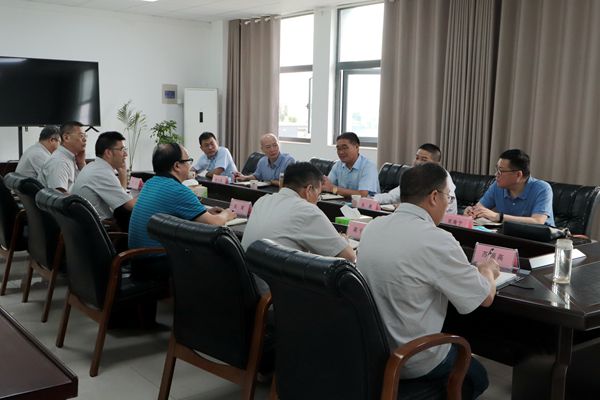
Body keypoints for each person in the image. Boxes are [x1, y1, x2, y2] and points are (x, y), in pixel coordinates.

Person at [357, 163, 499, 399]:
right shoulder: (437, 239)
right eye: (448, 197)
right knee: (478, 376)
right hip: (411, 358)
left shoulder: (373, 227)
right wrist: (488, 271)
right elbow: (485, 297)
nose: (448, 204)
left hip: (370, 353)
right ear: (434, 197)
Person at [241, 162, 356, 292]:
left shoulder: (262, 201)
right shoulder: (306, 210)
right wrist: (343, 241)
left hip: (247, 288)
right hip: (275, 295)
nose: (317, 200)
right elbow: (349, 257)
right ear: (309, 190)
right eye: (318, 195)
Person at [128, 143, 236, 280]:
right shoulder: (177, 190)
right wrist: (227, 214)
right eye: (188, 161)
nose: (190, 165)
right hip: (158, 262)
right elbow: (214, 223)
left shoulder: (151, 183)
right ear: (177, 166)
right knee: (223, 257)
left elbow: (173, 209)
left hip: (138, 260)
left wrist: (204, 212)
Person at [464, 149, 554, 225]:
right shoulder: (497, 186)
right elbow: (479, 208)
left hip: (539, 238)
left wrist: (498, 216)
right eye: (496, 169)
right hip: (506, 236)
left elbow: (538, 221)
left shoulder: (542, 189)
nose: (496, 174)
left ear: (518, 175)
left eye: (501, 171)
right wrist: (472, 212)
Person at [374, 143, 457, 214]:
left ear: (436, 164)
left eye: (424, 160)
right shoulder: (415, 175)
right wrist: (371, 200)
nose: (418, 162)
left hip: (442, 223)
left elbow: (439, 208)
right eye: (417, 158)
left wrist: (406, 207)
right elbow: (393, 196)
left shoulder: (443, 179)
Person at [71, 131, 135, 221]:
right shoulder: (102, 172)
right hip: (99, 226)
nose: (126, 154)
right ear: (108, 152)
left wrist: (123, 173)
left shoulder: (94, 166)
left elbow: (121, 198)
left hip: (86, 224)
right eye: (122, 149)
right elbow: (130, 206)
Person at [321, 132, 380, 197]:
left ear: (356, 147)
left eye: (345, 148)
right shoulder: (338, 165)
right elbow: (327, 185)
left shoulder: (368, 166)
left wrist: (333, 189)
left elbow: (363, 194)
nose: (341, 152)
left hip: (365, 203)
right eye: (338, 149)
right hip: (341, 202)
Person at [38, 121, 87, 192]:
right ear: (66, 138)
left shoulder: (71, 158)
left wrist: (81, 164)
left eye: (85, 136)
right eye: (81, 136)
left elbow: (84, 185)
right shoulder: (59, 162)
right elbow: (59, 195)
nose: (85, 139)